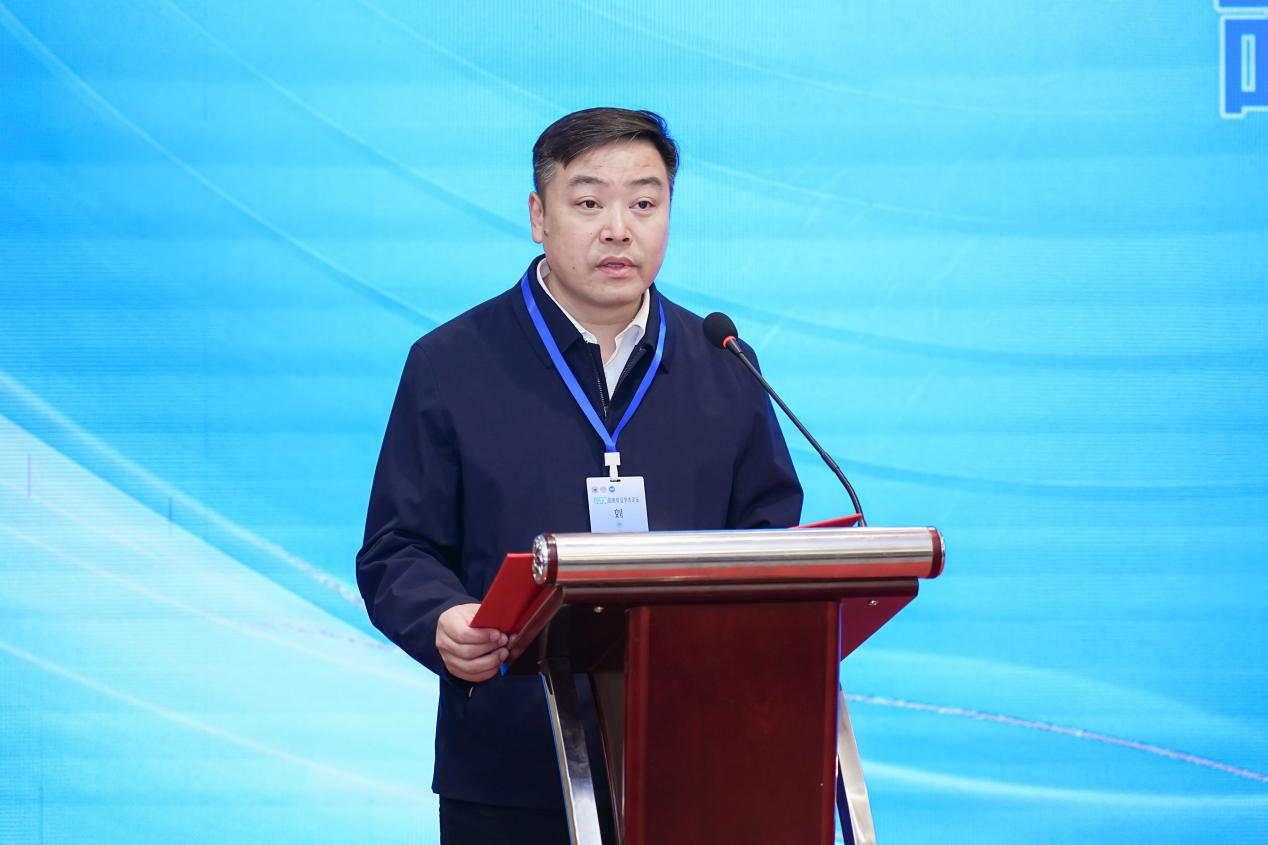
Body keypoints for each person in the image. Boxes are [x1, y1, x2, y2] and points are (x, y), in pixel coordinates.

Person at [356, 107, 803, 845]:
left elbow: (768, 537)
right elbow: (396, 549)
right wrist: (442, 618)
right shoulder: (451, 364)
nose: (619, 229)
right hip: (512, 766)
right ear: (539, 216)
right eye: (590, 202)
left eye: (644, 204)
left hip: (694, 761)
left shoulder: (723, 362)